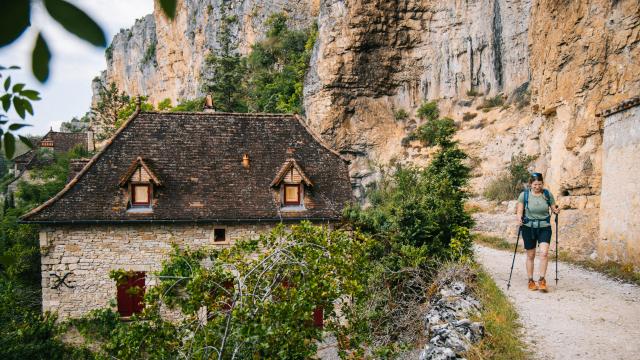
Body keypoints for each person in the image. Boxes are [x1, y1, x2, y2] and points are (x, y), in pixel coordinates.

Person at [516, 172, 560, 292]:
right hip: (528, 227)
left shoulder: (547, 194)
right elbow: (519, 211)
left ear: (542, 184)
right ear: (530, 184)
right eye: (535, 184)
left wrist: (556, 210)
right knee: (531, 255)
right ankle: (531, 280)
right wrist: (519, 218)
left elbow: (553, 208)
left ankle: (542, 280)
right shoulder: (524, 195)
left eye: (539, 184)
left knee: (544, 253)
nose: (537, 187)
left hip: (544, 227)